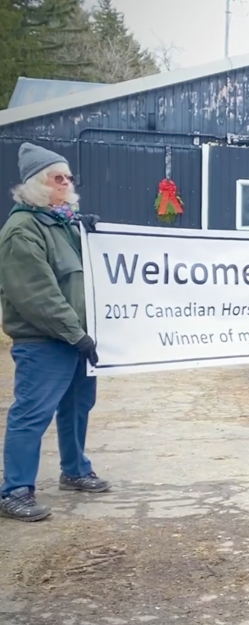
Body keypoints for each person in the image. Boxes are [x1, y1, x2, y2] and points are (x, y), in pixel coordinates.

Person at [0, 142, 107, 522]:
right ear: (35, 185)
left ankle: (75, 470)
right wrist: (75, 333)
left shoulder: (65, 224)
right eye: (56, 177)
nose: (65, 182)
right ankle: (14, 491)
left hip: (78, 339)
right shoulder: (22, 230)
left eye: (68, 177)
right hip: (45, 341)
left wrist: (96, 235)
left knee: (78, 407)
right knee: (32, 413)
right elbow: (37, 295)